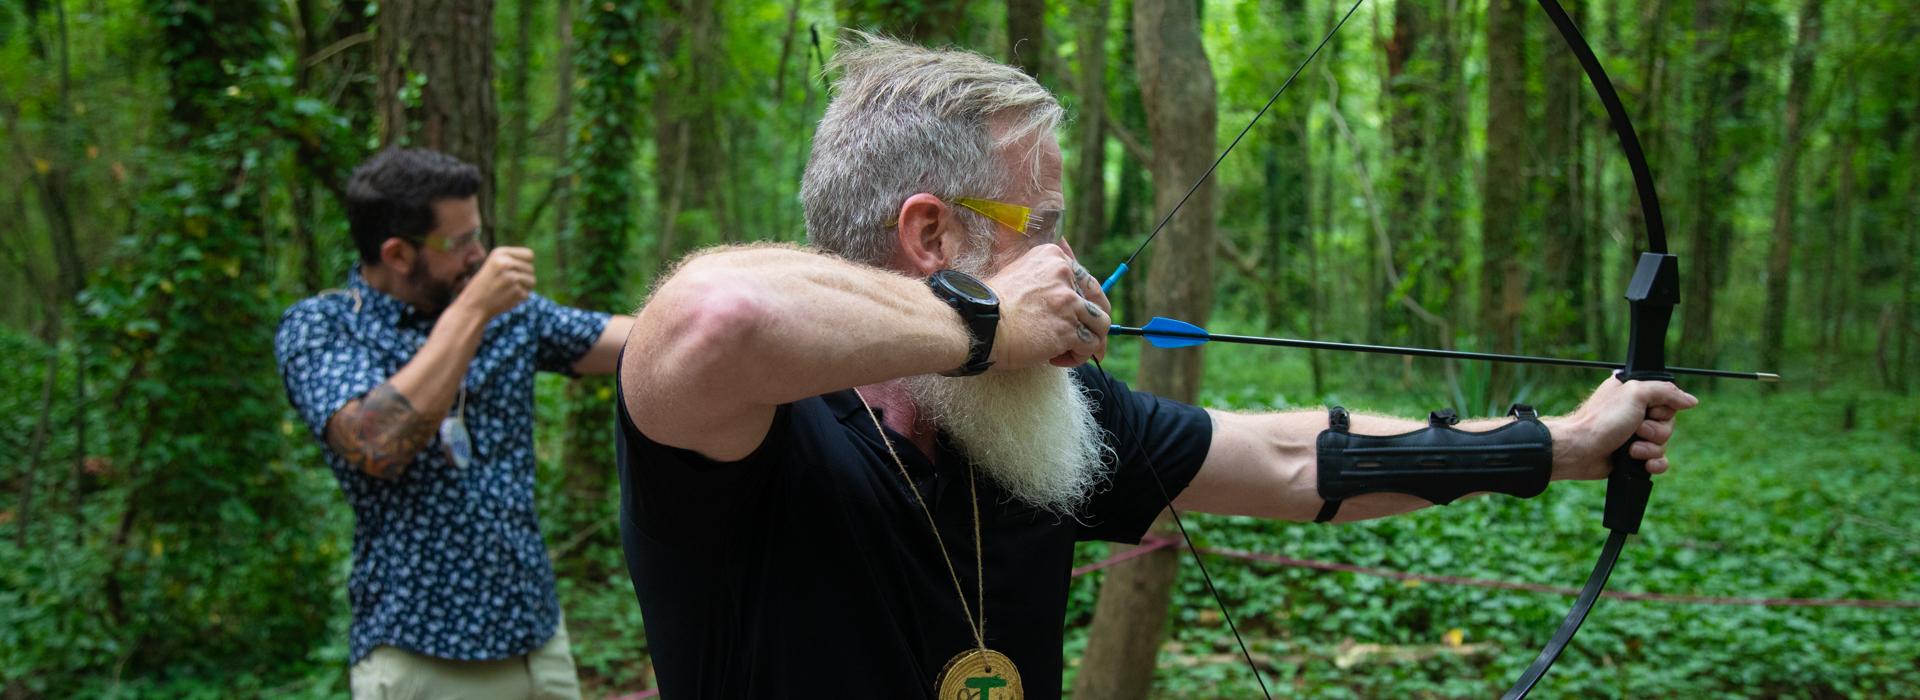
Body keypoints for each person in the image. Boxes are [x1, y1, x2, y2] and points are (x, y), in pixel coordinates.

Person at [614, 36, 1698, 699]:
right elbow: (722, 310)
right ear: (932, 234)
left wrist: (1555, 447)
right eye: (1040, 226)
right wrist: (985, 325)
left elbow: (1285, 461)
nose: (1070, 261)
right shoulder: (745, 428)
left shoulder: (1034, 419)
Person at [274, 148, 632, 700]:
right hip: (423, 654)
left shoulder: (512, 316)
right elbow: (375, 443)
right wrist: (471, 314)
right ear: (396, 253)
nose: (481, 256)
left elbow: (630, 340)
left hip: (539, 641)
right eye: (461, 242)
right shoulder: (324, 326)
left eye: (478, 234)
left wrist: (714, 309)